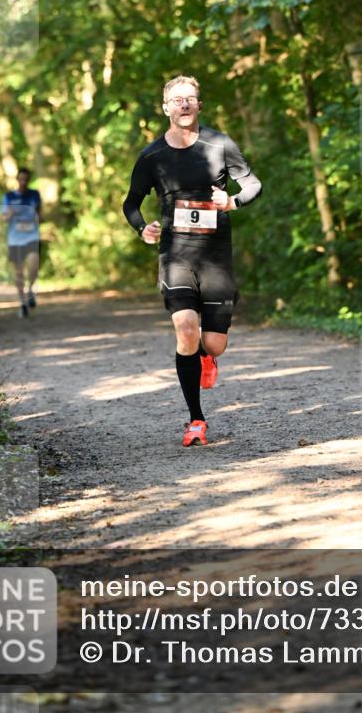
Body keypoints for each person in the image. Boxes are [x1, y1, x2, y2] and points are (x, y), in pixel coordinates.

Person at [123, 75, 262, 447]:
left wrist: (232, 201)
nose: (184, 104)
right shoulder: (153, 156)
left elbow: (252, 184)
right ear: (166, 107)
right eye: (177, 99)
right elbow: (131, 203)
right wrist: (142, 229)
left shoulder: (219, 144)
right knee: (185, 328)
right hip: (175, 255)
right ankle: (196, 420)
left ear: (199, 105)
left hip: (216, 257)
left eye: (191, 98)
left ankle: (206, 356)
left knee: (213, 344)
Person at [0, 167, 41, 318]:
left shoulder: (34, 195)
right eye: (21, 179)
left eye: (26, 179)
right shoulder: (8, 197)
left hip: (31, 237)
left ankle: (30, 290)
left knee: (33, 266)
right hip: (15, 239)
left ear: (28, 180)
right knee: (18, 273)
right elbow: (3, 218)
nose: (23, 182)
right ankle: (22, 303)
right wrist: (11, 212)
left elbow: (39, 214)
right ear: (17, 179)